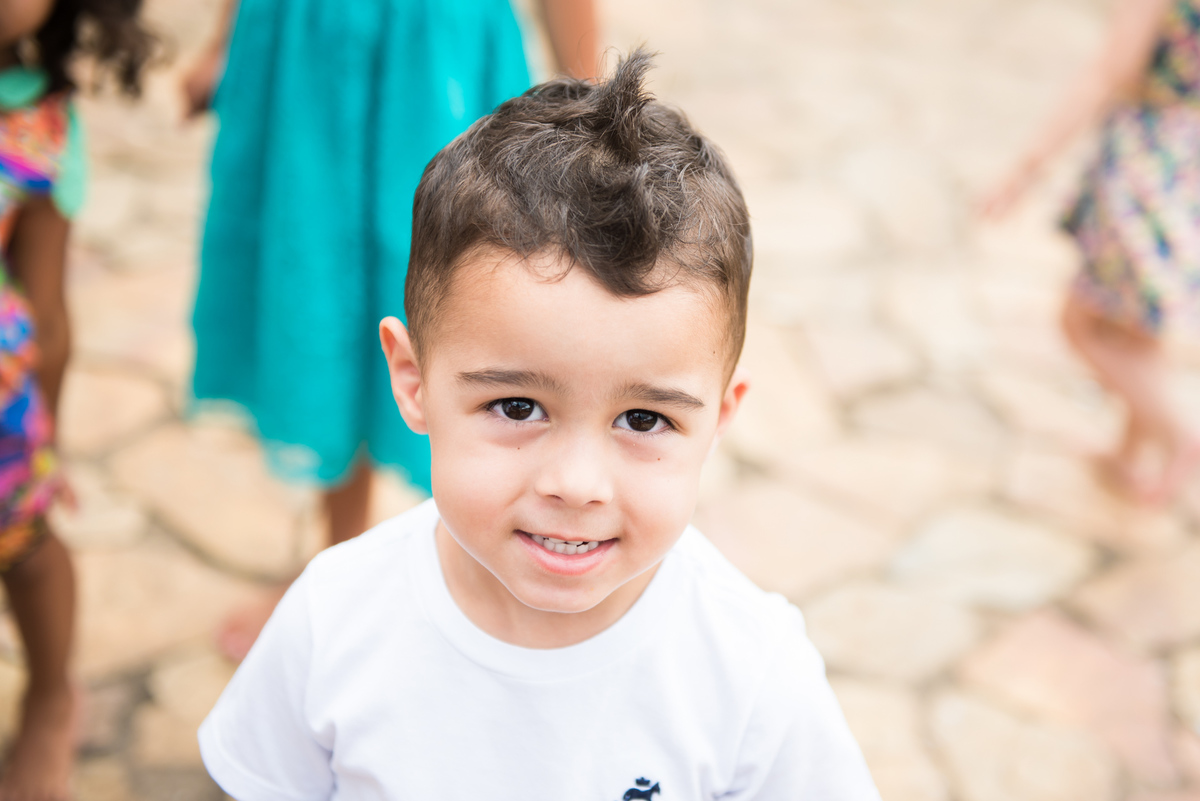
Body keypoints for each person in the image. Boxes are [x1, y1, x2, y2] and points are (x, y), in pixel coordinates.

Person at [197, 51, 880, 799]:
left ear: (720, 416)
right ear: (414, 378)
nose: (575, 484)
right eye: (517, 407)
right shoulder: (333, 619)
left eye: (644, 418)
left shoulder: (751, 674)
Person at [181, 0, 599, 663]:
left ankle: (488, 588)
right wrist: (223, 40)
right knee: (319, 304)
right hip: (303, 50)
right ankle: (339, 568)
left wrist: (591, 109)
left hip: (440, 57)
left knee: (466, 306)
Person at [0, 1, 151, 798]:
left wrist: (45, 446)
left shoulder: (40, 122)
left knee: (25, 548)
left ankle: (51, 692)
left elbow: (49, 315)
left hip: (3, 412)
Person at [982, 0, 1200, 503]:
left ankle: (1178, 432)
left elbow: (1108, 70)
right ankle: (1129, 453)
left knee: (1081, 322)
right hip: (1186, 158)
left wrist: (1025, 168)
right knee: (1137, 324)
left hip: (1148, 162)